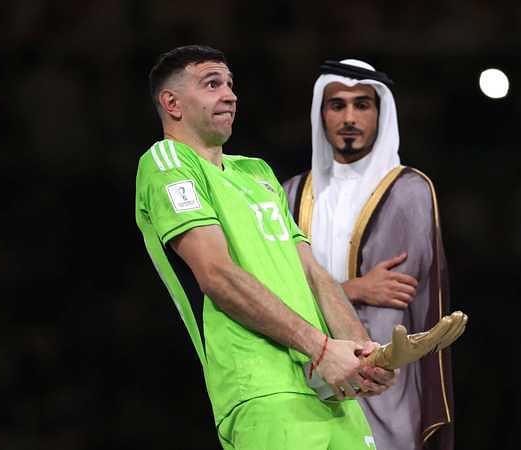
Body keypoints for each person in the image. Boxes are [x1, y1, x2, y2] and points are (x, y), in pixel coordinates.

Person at [134, 45, 395, 450]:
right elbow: (216, 275)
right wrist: (322, 348)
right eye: (212, 84)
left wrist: (363, 354)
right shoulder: (167, 162)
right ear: (172, 103)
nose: (230, 95)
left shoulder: (257, 173)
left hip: (329, 389)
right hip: (262, 390)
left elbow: (313, 273)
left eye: (230, 84)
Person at [283, 59, 456, 450]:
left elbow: (393, 297)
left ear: (381, 112)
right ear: (321, 113)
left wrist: (328, 294)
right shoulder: (289, 193)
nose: (349, 118)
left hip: (384, 384)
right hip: (305, 378)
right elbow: (275, 291)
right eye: (337, 105)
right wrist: (356, 288)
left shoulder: (409, 191)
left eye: (362, 104)